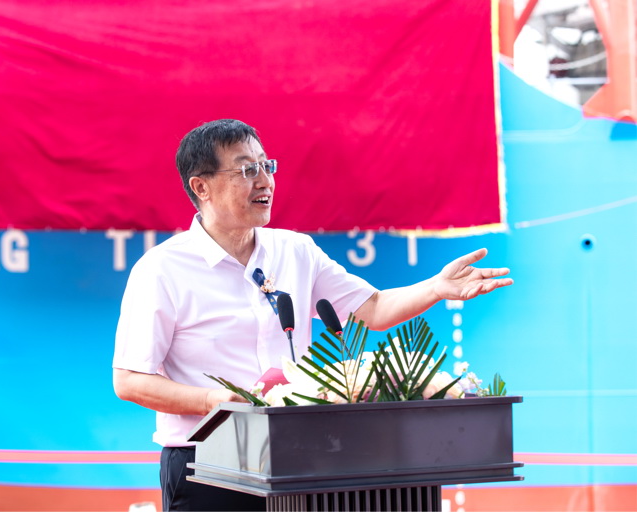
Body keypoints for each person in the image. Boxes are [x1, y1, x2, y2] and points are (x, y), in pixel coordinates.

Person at [113, 119, 512, 511]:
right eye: (247, 170)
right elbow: (129, 380)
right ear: (201, 187)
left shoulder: (294, 251)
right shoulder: (161, 269)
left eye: (267, 166)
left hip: (298, 460)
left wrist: (437, 288)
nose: (265, 181)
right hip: (207, 465)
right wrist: (213, 400)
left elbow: (372, 309)